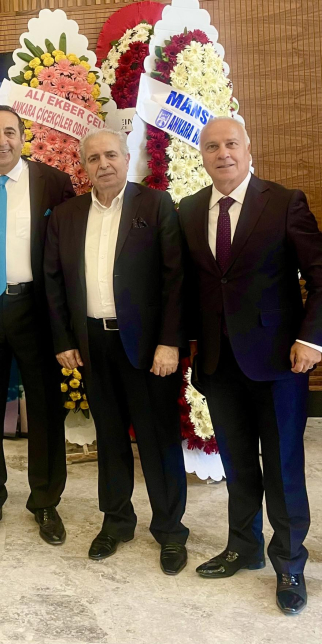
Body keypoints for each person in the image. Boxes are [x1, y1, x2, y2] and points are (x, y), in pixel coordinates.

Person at [179, 117, 322, 614]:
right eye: (212, 146)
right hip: (219, 363)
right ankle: (244, 546)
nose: (223, 153)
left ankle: (290, 562)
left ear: (247, 148)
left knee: (283, 467)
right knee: (237, 464)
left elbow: (320, 275)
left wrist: (311, 338)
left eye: (231, 144)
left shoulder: (284, 202)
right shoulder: (190, 209)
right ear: (202, 154)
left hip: (280, 363)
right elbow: (191, 287)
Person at [44, 129, 189, 574]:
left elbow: (175, 279)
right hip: (93, 343)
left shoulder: (155, 205)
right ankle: (117, 521)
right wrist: (64, 340)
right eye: (93, 158)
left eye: (111, 155)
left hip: (147, 347)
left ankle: (169, 530)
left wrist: (169, 342)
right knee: (108, 437)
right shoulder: (66, 215)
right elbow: (53, 281)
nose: (103, 164)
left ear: (127, 158)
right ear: (84, 166)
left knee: (157, 439)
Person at [0, 105, 74, 546]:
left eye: (9, 132)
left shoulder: (53, 182)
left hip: (36, 306)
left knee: (45, 407)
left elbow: (67, 252)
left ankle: (45, 500)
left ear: (23, 137)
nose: (1, 140)